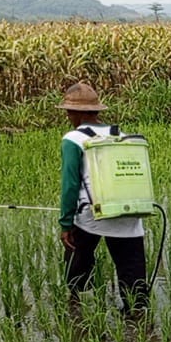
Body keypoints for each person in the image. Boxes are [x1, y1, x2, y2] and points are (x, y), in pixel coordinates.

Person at [58, 81, 149, 319]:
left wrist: (66, 223)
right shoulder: (122, 135)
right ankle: (137, 322)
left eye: (68, 112)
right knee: (132, 274)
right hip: (130, 214)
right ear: (97, 111)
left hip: (91, 216)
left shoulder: (73, 139)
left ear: (76, 114)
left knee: (77, 261)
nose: (68, 116)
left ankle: (77, 307)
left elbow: (70, 184)